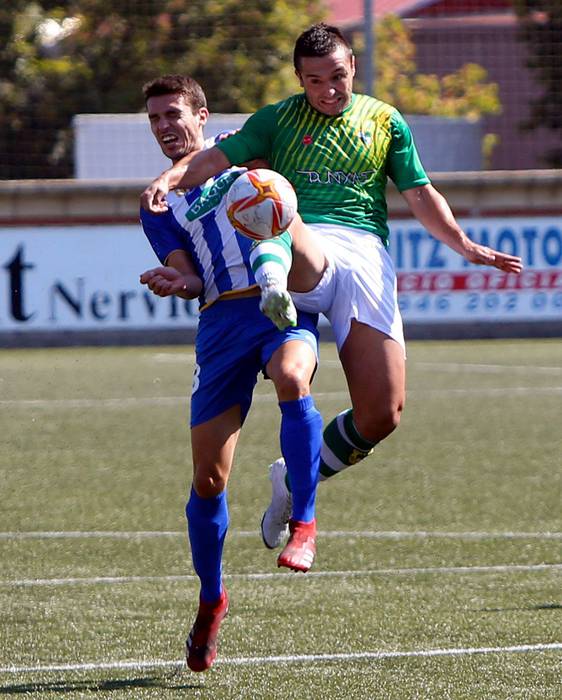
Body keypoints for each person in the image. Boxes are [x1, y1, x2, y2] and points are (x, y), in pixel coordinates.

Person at [141, 25, 523, 551]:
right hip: (303, 245)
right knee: (270, 194)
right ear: (299, 79)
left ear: (353, 71)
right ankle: (273, 275)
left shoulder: (384, 120)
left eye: (337, 77)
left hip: (364, 255)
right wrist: (172, 178)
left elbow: (419, 192)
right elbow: (211, 161)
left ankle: (296, 477)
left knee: (381, 415)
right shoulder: (276, 119)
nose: (328, 90)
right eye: (315, 80)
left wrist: (466, 246)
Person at [139, 74, 326, 673]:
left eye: (174, 114)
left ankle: (303, 523)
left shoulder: (243, 152)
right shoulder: (160, 204)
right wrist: (179, 281)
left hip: (280, 308)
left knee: (295, 380)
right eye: (155, 120)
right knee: (209, 481)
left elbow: (290, 182)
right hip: (222, 325)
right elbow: (189, 272)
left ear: (202, 114)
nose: (165, 126)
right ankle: (211, 596)